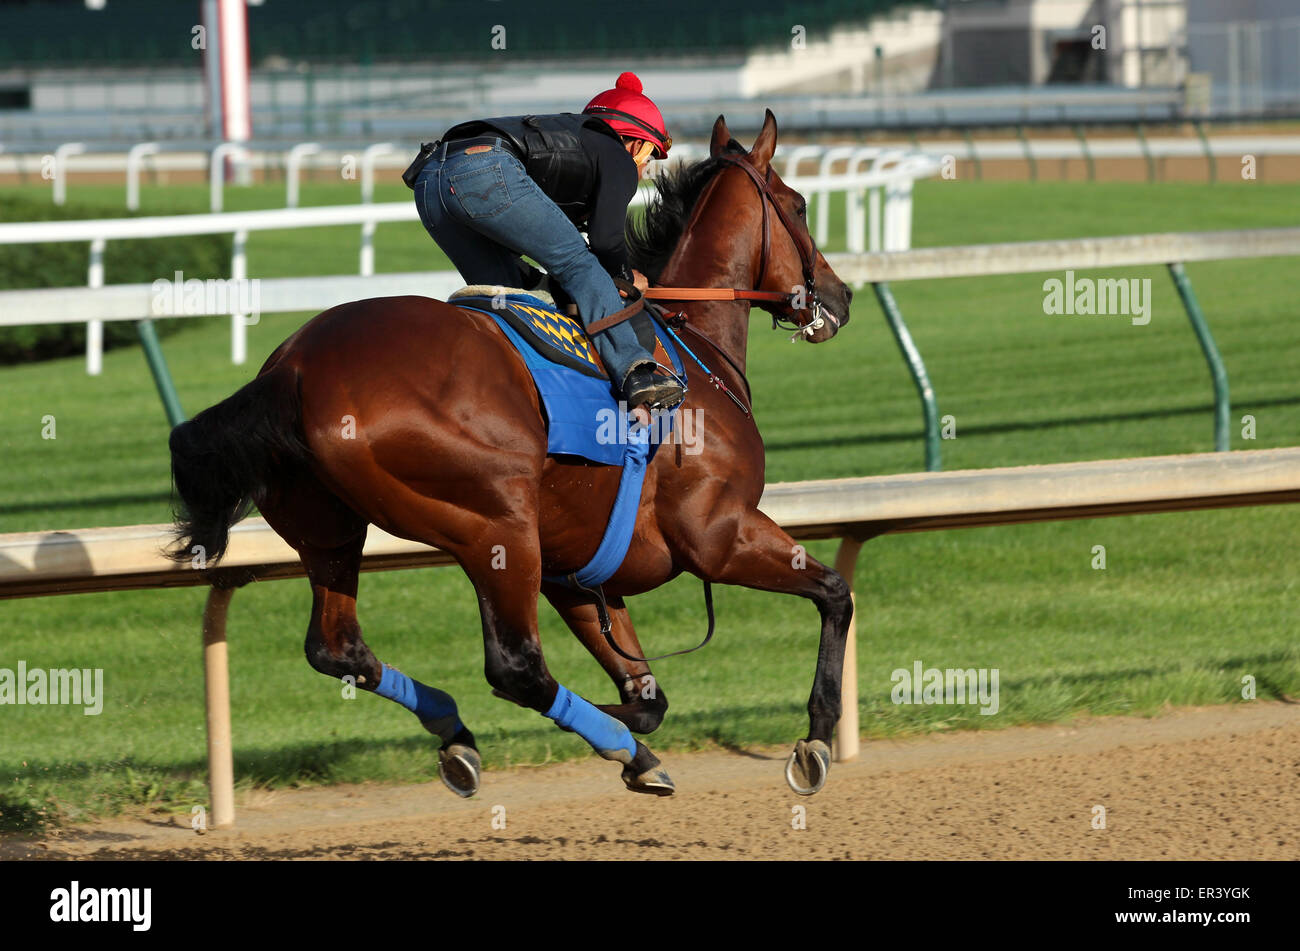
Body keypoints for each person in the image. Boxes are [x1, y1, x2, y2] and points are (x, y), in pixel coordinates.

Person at [409, 71, 684, 413]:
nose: (642, 171)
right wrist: (625, 279)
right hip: (483, 169)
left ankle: (513, 392)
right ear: (636, 144)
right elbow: (605, 242)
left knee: (510, 294)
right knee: (582, 265)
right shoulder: (617, 155)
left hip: (428, 183)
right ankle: (638, 374)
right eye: (648, 158)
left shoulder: (578, 142)